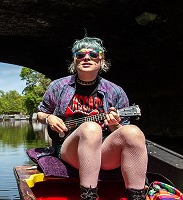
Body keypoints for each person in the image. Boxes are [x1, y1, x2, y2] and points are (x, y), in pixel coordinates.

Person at [37, 36, 148, 200]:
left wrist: (113, 125)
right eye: (80, 55)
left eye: (93, 54)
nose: (87, 57)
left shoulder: (115, 91)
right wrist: (49, 118)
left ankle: (137, 195)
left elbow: (120, 132)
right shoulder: (58, 86)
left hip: (105, 150)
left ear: (101, 59)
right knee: (91, 128)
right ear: (75, 60)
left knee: (133, 132)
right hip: (71, 149)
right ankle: (88, 195)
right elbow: (40, 113)